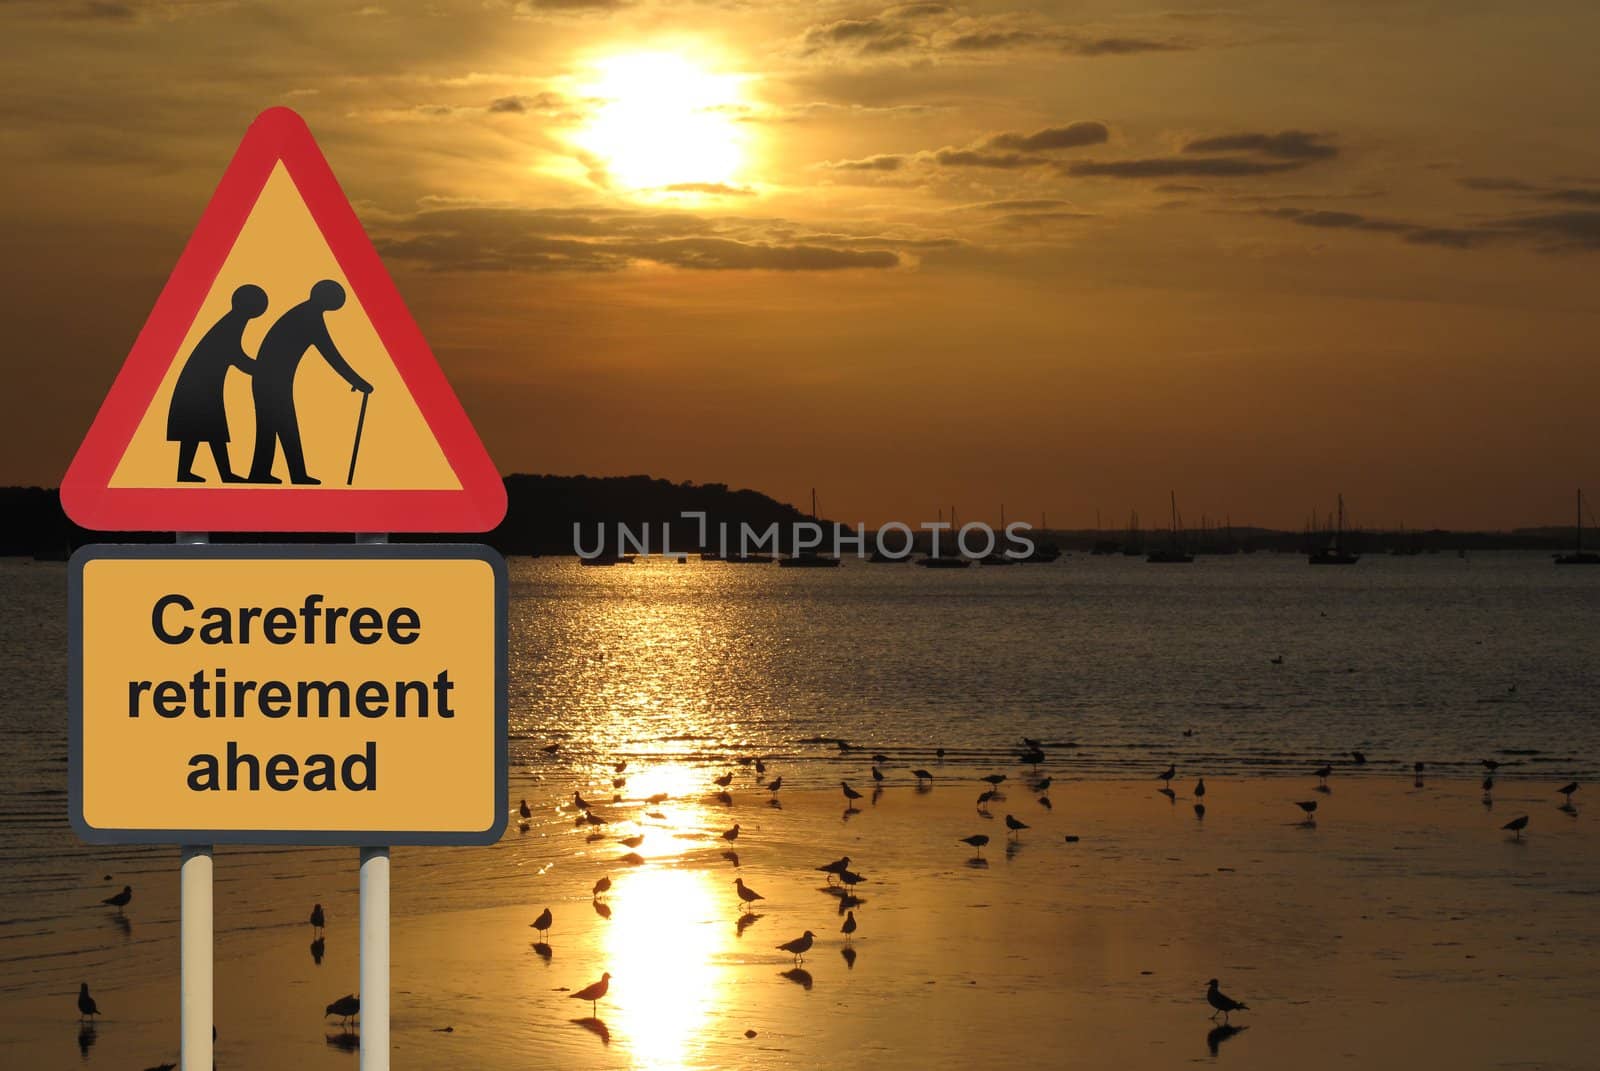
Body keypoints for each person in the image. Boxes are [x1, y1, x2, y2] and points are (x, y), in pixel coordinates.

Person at [246, 279, 373, 485]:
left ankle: (264, 473)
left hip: (270, 379)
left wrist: (357, 381)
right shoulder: (309, 317)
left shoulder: (304, 313)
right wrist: (358, 382)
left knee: (273, 427)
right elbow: (331, 355)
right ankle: (291, 474)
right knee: (283, 426)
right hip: (272, 381)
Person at [166, 283, 267, 482]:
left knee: (202, 429)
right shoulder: (233, 323)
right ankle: (217, 474)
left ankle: (202, 473)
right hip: (201, 386)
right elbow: (234, 354)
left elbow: (233, 354)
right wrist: (261, 369)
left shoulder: (232, 320)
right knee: (206, 429)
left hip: (201, 384)